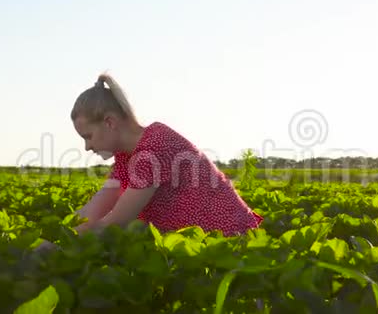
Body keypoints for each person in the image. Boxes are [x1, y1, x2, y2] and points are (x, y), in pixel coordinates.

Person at [35, 73, 262, 252]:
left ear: (110, 122)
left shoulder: (154, 146)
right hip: (197, 245)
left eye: (88, 136)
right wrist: (49, 236)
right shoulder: (126, 156)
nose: (87, 147)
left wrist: (57, 248)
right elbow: (92, 211)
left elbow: (115, 223)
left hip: (232, 242)